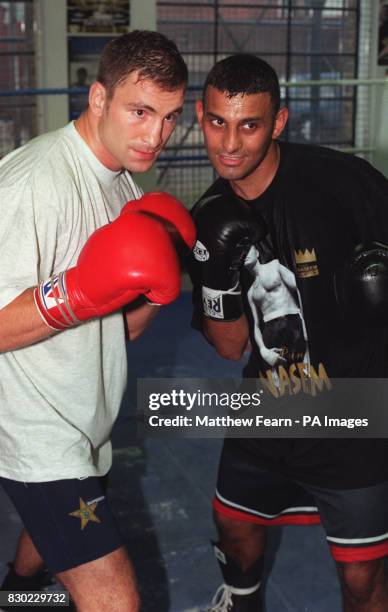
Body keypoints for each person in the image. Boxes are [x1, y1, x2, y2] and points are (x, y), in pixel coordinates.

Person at [0, 30, 194, 612]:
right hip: (36, 428)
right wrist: (78, 293)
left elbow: (124, 328)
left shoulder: (125, 186)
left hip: (87, 418)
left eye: (170, 116)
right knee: (115, 602)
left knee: (43, 552)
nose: (157, 134)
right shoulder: (33, 183)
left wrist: (162, 286)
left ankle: (16, 598)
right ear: (99, 99)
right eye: (140, 111)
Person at [190, 54, 388, 611]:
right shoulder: (208, 217)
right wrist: (215, 276)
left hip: (354, 416)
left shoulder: (343, 183)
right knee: (233, 526)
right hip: (270, 408)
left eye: (249, 125)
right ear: (200, 118)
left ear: (278, 122)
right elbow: (230, 346)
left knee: (361, 581)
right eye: (217, 122)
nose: (229, 144)